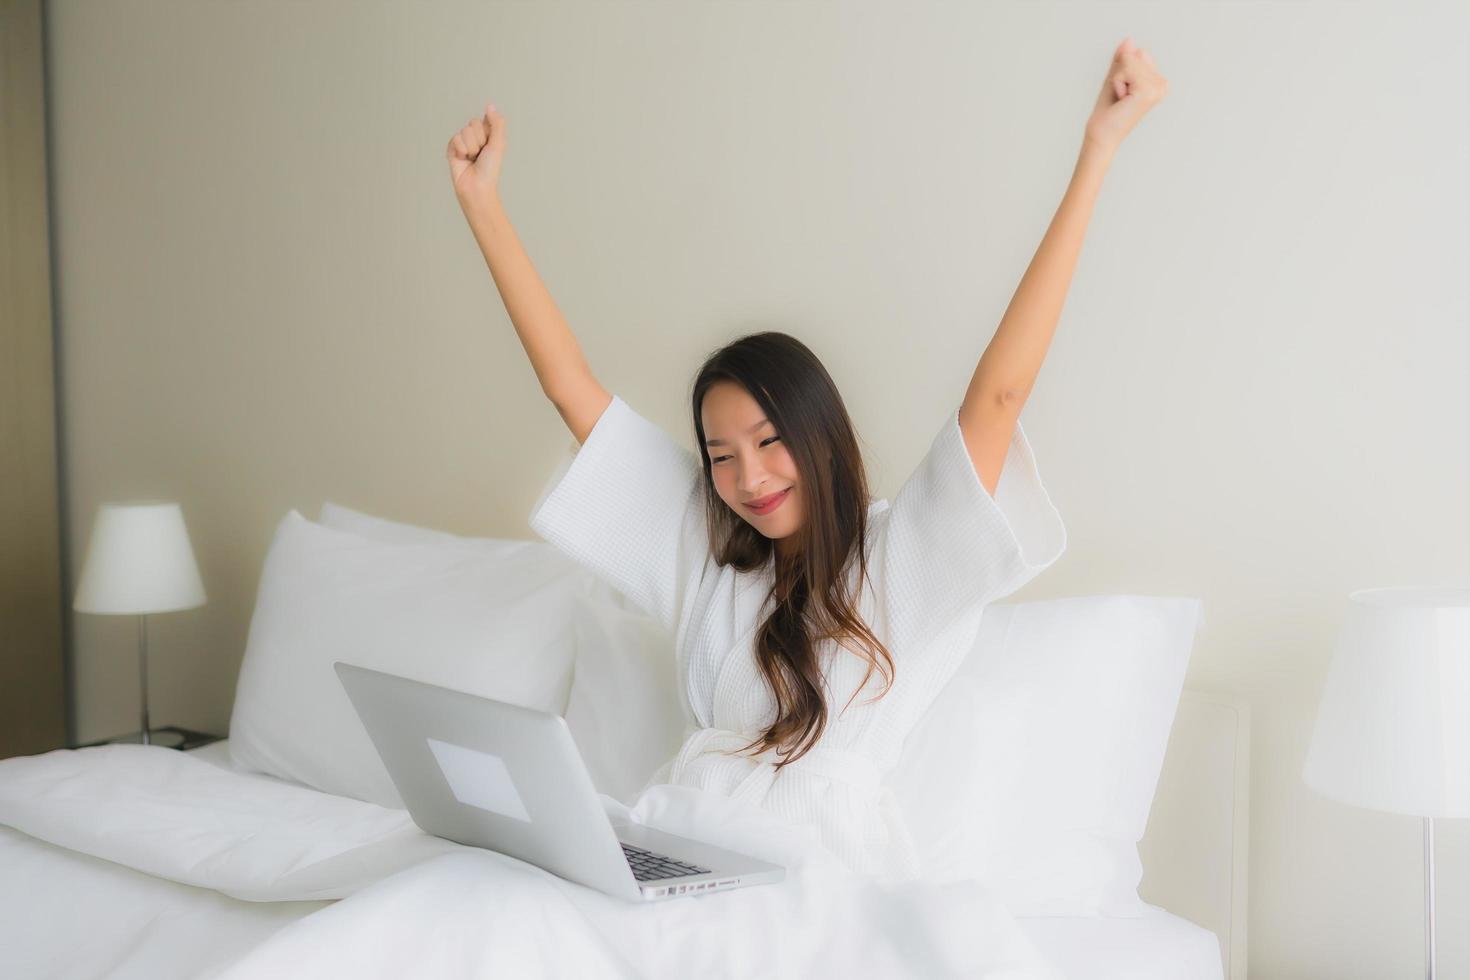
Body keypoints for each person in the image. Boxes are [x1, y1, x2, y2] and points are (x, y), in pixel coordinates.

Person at [444, 38, 1166, 881]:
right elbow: (572, 390)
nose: (747, 479)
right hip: (671, 851)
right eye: (720, 455)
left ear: (819, 436)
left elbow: (999, 396)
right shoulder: (706, 565)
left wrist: (1098, 149)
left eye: (769, 442)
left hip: (813, 881)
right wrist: (482, 205)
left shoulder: (902, 562)